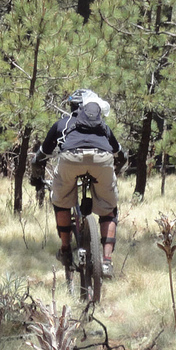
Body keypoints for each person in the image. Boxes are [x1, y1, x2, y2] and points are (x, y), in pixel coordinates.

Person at [30, 89, 126, 278]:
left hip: (70, 159)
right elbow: (120, 154)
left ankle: (65, 249)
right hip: (102, 159)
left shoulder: (62, 124)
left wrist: (36, 177)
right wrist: (114, 171)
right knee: (109, 209)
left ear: (73, 107)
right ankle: (107, 262)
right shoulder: (103, 126)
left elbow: (41, 156)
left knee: (61, 202)